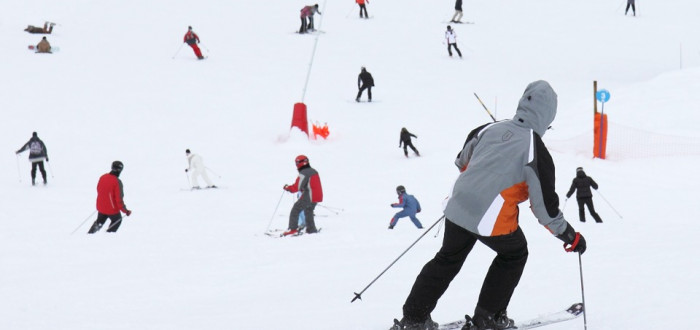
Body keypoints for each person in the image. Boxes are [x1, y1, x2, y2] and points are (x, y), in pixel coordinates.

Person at [389, 81, 587, 330]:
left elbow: (462, 161)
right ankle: (488, 318)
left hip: (457, 207)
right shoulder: (536, 150)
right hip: (489, 219)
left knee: (447, 258)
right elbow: (545, 210)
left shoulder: (488, 128)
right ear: (547, 118)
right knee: (514, 254)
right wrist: (570, 235)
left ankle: (414, 319)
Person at [282, 155, 323, 235]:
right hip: (317, 196)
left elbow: (296, 187)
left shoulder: (304, 173)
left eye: (297, 163)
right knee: (308, 210)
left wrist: (288, 188)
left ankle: (292, 229)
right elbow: (310, 184)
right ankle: (311, 229)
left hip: (310, 196)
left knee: (296, 209)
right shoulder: (313, 171)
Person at [88, 161, 132, 234]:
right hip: (112, 209)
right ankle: (108, 236)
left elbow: (99, 189)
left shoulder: (103, 177)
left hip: (101, 206)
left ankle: (90, 234)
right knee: (117, 220)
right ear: (120, 170)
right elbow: (119, 199)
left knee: (100, 221)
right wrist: (126, 211)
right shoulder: (117, 182)